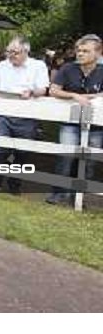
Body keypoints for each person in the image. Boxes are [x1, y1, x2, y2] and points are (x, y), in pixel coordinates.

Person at [0, 36, 49, 194]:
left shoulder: (38, 66)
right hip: (3, 114)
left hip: (26, 116)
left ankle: (15, 184)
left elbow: (43, 88)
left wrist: (32, 92)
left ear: (26, 51)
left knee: (22, 152)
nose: (11, 55)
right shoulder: (1, 66)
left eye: (15, 52)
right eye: (9, 51)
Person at [46, 34, 103, 206]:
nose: (80, 53)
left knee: (89, 162)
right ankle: (58, 194)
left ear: (98, 53)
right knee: (66, 157)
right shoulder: (68, 68)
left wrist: (88, 96)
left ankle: (78, 198)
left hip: (96, 125)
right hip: (70, 123)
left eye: (85, 51)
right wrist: (73, 95)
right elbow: (53, 90)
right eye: (79, 50)